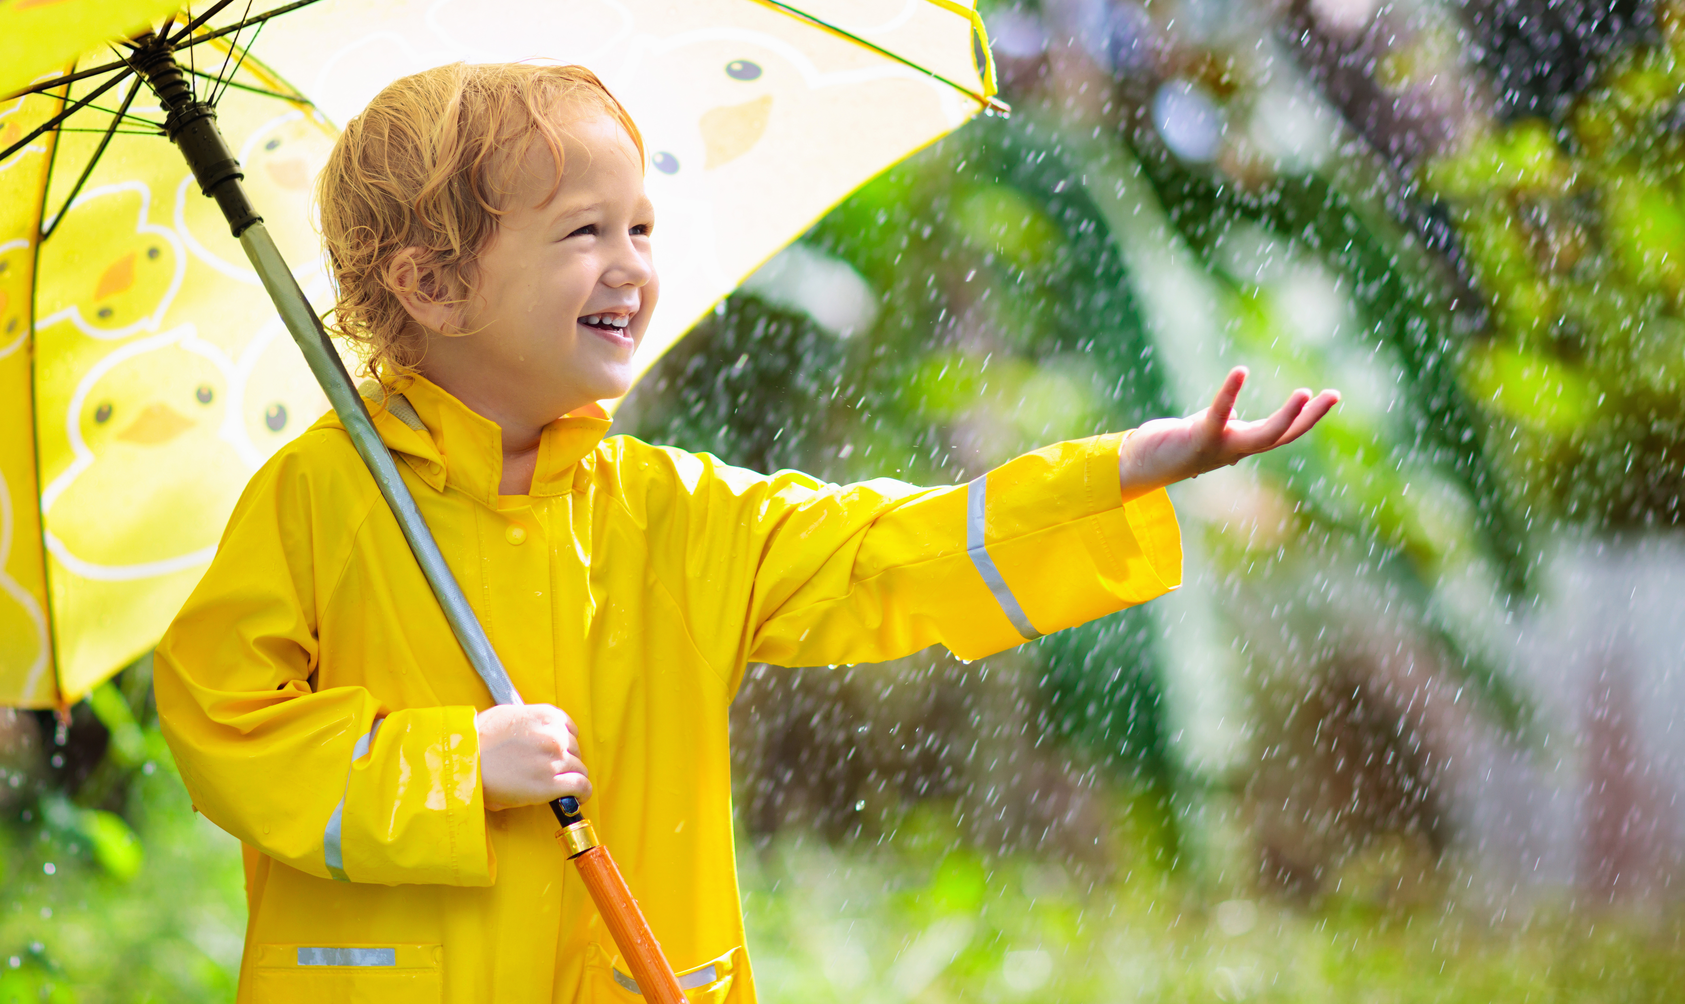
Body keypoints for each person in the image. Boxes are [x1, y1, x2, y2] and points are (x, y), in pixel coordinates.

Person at [153, 62, 1338, 1003]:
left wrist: (1120, 472)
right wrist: (453, 768)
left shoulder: (669, 509)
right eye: (582, 234)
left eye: (642, 228)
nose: (631, 266)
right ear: (433, 285)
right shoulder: (316, 502)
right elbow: (224, 724)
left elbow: (881, 551)